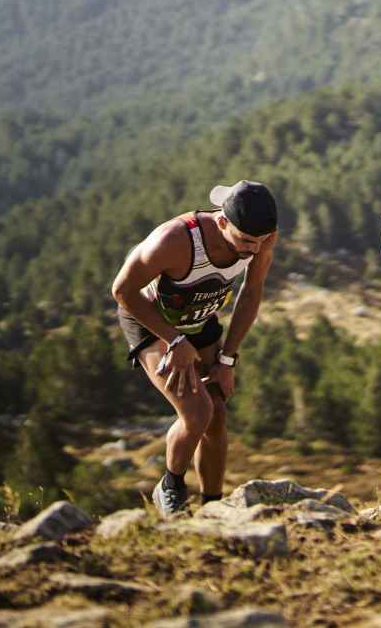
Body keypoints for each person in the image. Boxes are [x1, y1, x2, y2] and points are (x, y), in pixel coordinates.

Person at [111, 180, 279, 516]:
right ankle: (170, 487)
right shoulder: (173, 241)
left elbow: (251, 291)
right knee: (197, 411)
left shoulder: (261, 233)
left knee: (216, 416)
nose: (255, 250)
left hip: (199, 318)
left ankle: (212, 508)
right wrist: (174, 340)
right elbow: (123, 291)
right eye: (246, 241)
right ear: (221, 222)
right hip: (150, 319)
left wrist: (227, 359)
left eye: (261, 242)